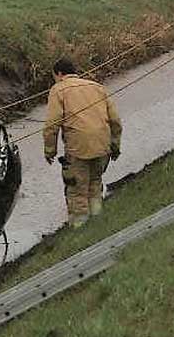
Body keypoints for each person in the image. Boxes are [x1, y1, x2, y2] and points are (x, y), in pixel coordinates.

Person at [42, 59, 121, 227]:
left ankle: (80, 227)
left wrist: (50, 151)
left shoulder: (58, 90)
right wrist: (115, 146)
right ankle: (97, 221)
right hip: (102, 145)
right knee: (95, 183)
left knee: (76, 189)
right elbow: (115, 120)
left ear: (59, 74)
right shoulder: (97, 87)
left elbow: (51, 126)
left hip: (78, 148)